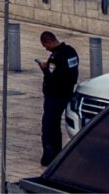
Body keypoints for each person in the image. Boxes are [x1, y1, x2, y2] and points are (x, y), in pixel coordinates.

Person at [38, 31, 80, 162]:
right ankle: (57, 153)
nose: (46, 49)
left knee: (49, 125)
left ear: (49, 42)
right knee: (55, 124)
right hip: (67, 93)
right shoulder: (71, 51)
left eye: (45, 46)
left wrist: (44, 69)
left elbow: (52, 78)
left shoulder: (55, 57)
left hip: (54, 96)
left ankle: (49, 155)